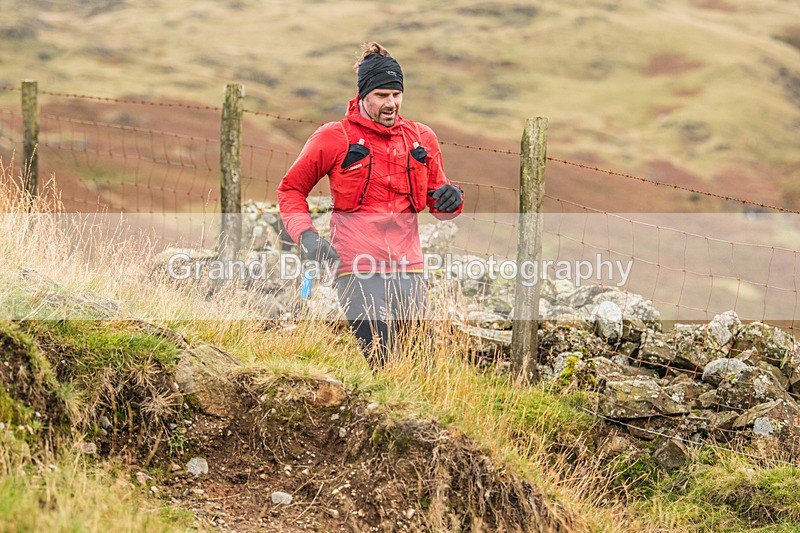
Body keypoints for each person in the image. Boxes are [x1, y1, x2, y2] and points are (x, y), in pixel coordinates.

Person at [277, 42, 464, 367]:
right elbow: (291, 189)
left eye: (396, 94)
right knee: (384, 360)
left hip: (410, 269)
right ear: (363, 96)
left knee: (419, 363)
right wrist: (306, 237)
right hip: (356, 266)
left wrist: (453, 199)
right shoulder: (333, 138)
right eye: (381, 95)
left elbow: (440, 204)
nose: (391, 104)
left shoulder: (421, 138)